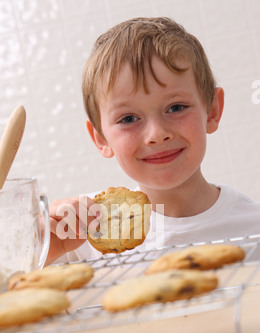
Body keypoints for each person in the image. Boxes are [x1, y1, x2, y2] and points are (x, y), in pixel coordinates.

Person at [46, 17, 260, 265]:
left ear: (212, 111)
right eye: (128, 118)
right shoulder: (81, 233)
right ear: (101, 138)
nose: (157, 134)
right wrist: (43, 252)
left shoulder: (253, 226)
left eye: (176, 107)